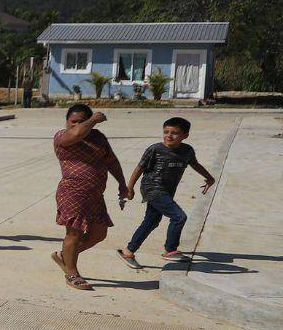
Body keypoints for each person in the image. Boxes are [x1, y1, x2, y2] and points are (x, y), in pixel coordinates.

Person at [117, 116, 216, 267]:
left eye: (174, 133)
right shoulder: (155, 149)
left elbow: (195, 164)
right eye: (166, 132)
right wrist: (129, 188)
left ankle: (128, 251)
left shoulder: (187, 151)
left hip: (168, 190)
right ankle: (170, 249)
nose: (169, 135)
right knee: (179, 216)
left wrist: (209, 177)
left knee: (151, 221)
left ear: (185, 136)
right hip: (152, 188)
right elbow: (139, 168)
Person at [52, 103, 127, 291]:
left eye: (81, 121)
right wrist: (92, 120)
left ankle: (64, 256)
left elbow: (111, 160)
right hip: (73, 192)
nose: (76, 124)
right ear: (67, 122)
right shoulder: (62, 136)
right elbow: (76, 134)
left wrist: (122, 183)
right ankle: (71, 273)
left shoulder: (97, 138)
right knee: (74, 233)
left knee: (99, 233)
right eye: (73, 121)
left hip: (95, 194)